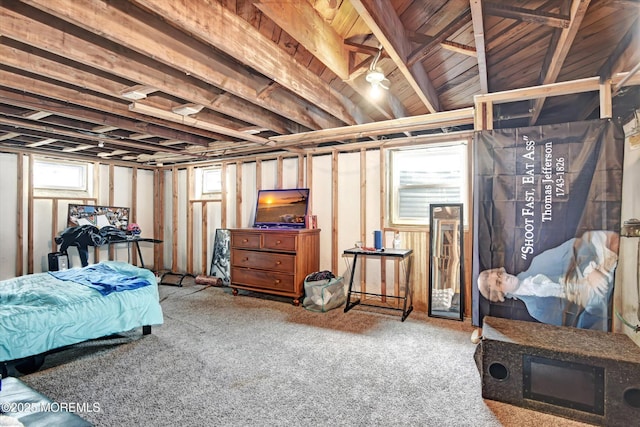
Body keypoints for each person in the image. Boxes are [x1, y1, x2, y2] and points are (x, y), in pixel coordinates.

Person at [477, 230, 619, 330]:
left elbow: (575, 247)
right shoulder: (536, 310)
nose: (504, 278)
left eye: (499, 275)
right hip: (594, 303)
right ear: (501, 295)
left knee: (610, 240)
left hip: (595, 270)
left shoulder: (538, 263)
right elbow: (574, 323)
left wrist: (590, 270)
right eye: (499, 282)